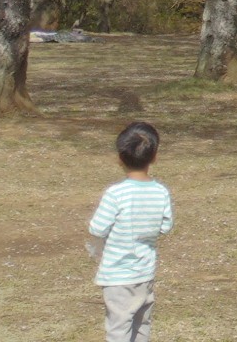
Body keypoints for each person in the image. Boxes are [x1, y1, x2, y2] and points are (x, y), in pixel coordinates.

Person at [88, 121, 174, 342]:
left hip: (117, 276)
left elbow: (97, 228)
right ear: (154, 156)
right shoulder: (160, 192)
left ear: (120, 158)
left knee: (119, 327)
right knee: (141, 324)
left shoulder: (116, 194)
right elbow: (165, 226)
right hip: (145, 274)